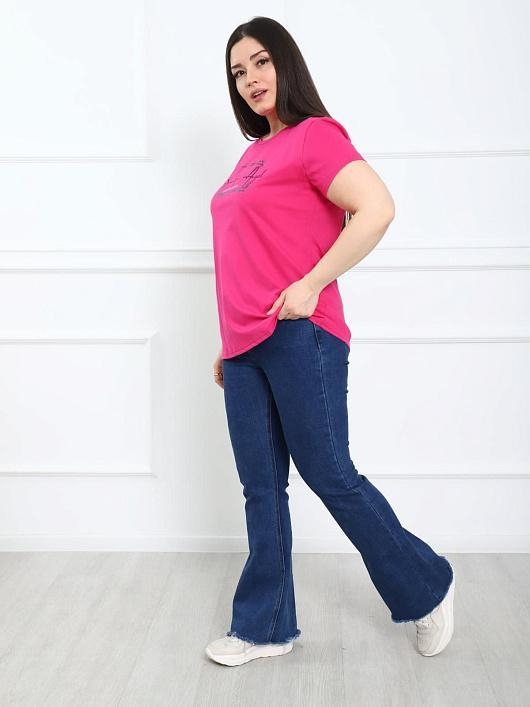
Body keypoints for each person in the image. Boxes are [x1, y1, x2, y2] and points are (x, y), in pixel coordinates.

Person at [205, 16, 455, 667]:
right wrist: (230, 339)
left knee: (330, 474)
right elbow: (247, 252)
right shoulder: (249, 158)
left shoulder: (316, 137)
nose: (251, 79)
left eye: (261, 62)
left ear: (285, 63)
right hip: (245, 346)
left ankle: (426, 585)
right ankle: (265, 627)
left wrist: (312, 284)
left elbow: (378, 208)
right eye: (238, 71)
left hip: (301, 335)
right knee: (261, 488)